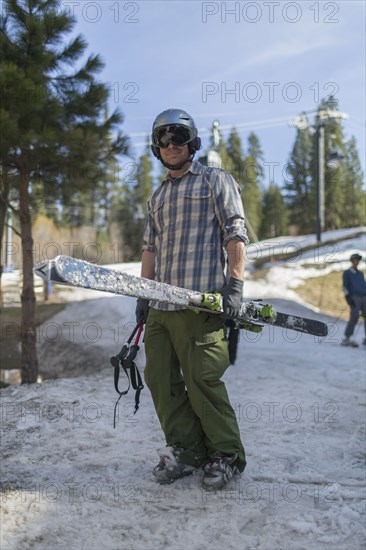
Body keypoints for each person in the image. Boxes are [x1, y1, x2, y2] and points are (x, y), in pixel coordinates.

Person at [135, 108, 249, 490]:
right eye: (164, 139)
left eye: (178, 137)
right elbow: (149, 248)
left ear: (191, 142)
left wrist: (235, 283)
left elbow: (235, 230)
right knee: (159, 379)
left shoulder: (215, 180)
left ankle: (225, 455)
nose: (171, 145)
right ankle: (188, 450)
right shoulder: (158, 196)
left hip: (200, 305)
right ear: (157, 147)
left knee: (202, 379)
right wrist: (143, 293)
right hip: (160, 308)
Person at [341, 253, 366, 347]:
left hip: (364, 296)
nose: (357, 262)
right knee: (354, 317)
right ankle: (347, 338)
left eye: (358, 260)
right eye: (355, 260)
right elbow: (344, 286)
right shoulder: (347, 273)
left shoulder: (360, 273)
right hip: (354, 297)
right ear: (352, 261)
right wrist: (347, 297)